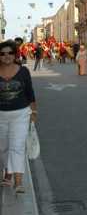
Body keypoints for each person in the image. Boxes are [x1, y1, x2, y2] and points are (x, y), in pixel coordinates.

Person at [0, 40, 37, 194]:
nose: (6, 56)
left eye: (10, 53)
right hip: (1, 116)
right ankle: (7, 174)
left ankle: (18, 182)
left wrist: (33, 112)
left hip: (20, 114)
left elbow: (30, 93)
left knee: (17, 147)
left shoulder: (23, 72)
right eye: (2, 53)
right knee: (4, 148)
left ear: (15, 54)